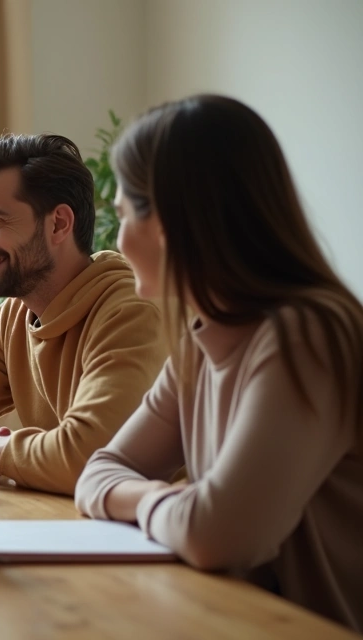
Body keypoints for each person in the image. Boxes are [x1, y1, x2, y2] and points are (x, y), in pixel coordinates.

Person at [74, 95, 363, 631]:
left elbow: (217, 536)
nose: (117, 240)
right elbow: (96, 473)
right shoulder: (197, 342)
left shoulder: (309, 333)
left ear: (167, 222)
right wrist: (169, 500)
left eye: (123, 216)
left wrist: (151, 502)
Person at [0, 133, 167, 495]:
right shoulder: (14, 315)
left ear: (58, 224)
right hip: (63, 521)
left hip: (146, 539)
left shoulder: (130, 313)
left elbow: (88, 458)